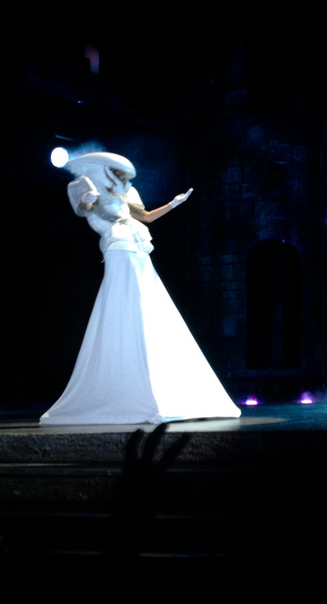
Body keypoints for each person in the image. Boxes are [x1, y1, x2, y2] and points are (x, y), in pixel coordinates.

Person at [41, 152, 241, 425]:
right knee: (125, 303)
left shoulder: (126, 193)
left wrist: (174, 203)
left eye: (123, 174)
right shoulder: (89, 186)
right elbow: (86, 208)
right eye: (118, 172)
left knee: (150, 307)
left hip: (137, 249)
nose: (122, 177)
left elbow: (146, 217)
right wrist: (88, 200)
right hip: (117, 247)